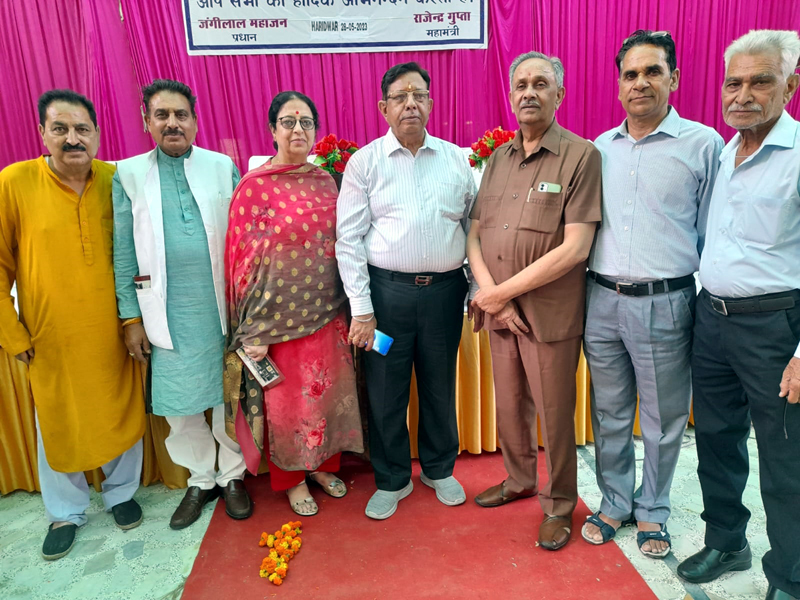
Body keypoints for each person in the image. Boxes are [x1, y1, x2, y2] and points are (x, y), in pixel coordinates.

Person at [581, 31, 723, 558]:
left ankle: (653, 511)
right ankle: (616, 501)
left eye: (652, 72)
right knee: (610, 412)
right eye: (630, 74)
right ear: (618, 86)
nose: (640, 82)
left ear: (674, 78)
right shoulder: (599, 148)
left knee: (663, 419)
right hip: (601, 301)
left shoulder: (704, 145)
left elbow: (714, 231)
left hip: (667, 301)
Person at [676, 30, 800, 600]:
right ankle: (727, 540)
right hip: (714, 319)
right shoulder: (725, 152)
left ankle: (789, 576)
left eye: (760, 81)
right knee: (717, 441)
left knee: (785, 457)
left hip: (776, 328)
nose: (743, 94)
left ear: (790, 86)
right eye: (734, 82)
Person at [0, 90, 145, 560]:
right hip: (50, 334)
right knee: (57, 423)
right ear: (42, 134)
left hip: (113, 329)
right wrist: (11, 333)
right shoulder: (14, 182)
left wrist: (133, 319)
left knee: (120, 409)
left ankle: (122, 494)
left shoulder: (117, 179)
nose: (72, 138)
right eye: (60, 128)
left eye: (82, 129)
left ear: (98, 135)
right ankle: (65, 512)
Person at [466, 51, 602, 551]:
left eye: (540, 83)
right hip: (501, 313)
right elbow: (474, 236)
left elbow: (576, 247)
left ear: (558, 95)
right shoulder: (497, 158)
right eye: (520, 84)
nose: (528, 92)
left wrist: (499, 294)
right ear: (510, 94)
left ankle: (559, 503)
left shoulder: (581, 156)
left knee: (554, 412)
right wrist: (494, 299)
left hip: (547, 316)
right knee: (511, 407)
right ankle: (519, 479)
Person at [336, 62, 476, 520]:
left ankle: (438, 469)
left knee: (439, 385)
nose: (410, 103)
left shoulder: (458, 159)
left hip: (444, 295)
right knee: (385, 389)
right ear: (384, 107)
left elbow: (475, 229)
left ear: (432, 104)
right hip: (385, 300)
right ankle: (392, 478)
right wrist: (362, 309)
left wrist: (476, 288)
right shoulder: (365, 162)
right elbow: (349, 239)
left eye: (419, 95)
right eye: (400, 96)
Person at [113, 79, 252, 530]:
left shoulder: (220, 166)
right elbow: (123, 252)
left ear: (195, 120)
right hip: (164, 312)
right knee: (181, 407)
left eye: (181, 115)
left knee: (227, 398)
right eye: (162, 115)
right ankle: (200, 479)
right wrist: (131, 317)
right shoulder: (129, 173)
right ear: (146, 120)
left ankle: (232, 476)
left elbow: (243, 238)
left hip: (219, 307)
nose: (172, 123)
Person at [224, 91, 364, 516]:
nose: (297, 129)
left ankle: (323, 467)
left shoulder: (326, 181)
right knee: (287, 405)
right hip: (276, 324)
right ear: (272, 130)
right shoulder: (254, 187)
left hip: (327, 315)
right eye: (288, 121)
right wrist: (253, 329)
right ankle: (291, 479)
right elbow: (241, 260)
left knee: (328, 398)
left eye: (306, 122)